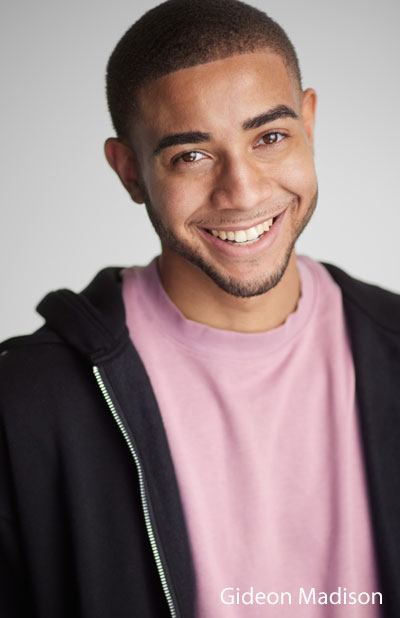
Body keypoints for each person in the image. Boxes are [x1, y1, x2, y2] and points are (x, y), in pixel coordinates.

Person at [0, 0, 399, 616]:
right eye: (191, 155)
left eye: (270, 137)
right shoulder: (24, 401)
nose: (243, 190)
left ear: (309, 123)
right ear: (130, 171)